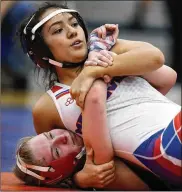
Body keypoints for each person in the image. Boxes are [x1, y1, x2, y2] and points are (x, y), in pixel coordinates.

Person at [14, 1, 180, 190]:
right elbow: (63, 162)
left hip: (169, 131)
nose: (72, 32)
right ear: (42, 52)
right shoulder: (48, 107)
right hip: (161, 149)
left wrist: (91, 70)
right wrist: (78, 179)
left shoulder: (106, 52)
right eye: (58, 30)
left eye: (74, 24)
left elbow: (159, 64)